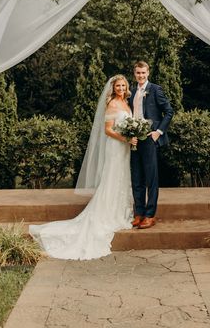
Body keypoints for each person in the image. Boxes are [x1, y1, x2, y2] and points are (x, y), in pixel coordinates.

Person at [29, 75, 136, 260]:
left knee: (122, 177)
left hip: (125, 148)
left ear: (126, 87)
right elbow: (108, 130)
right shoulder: (112, 104)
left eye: (123, 85)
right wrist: (126, 138)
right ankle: (108, 213)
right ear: (113, 87)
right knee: (112, 177)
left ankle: (121, 210)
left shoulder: (126, 103)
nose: (120, 88)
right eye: (118, 85)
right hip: (116, 146)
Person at [129, 60, 174, 229]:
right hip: (134, 140)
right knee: (137, 178)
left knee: (151, 178)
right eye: (138, 73)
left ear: (148, 73)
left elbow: (169, 111)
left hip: (149, 138)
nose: (140, 75)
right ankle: (139, 213)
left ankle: (150, 215)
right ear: (135, 74)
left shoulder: (155, 89)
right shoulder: (132, 92)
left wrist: (158, 132)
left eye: (143, 73)